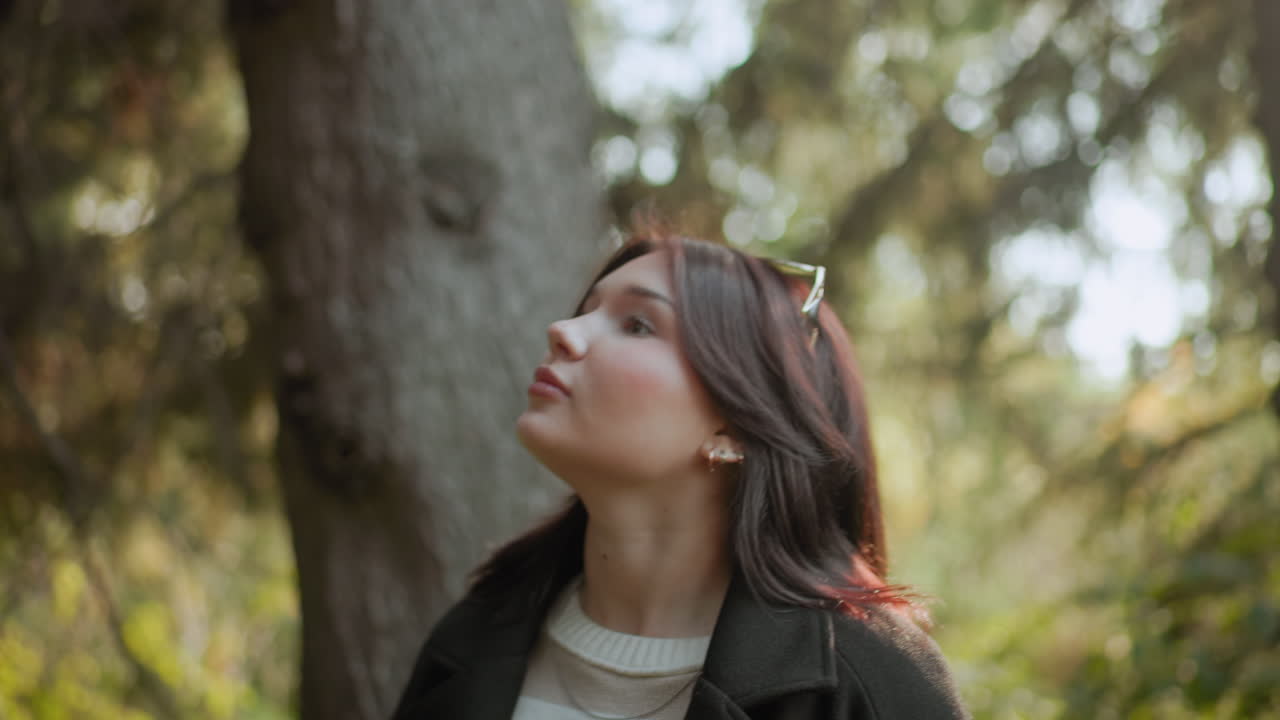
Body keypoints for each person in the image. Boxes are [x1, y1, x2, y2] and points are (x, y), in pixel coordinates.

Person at [390, 229, 970, 720]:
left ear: (734, 429)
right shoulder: (475, 633)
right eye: (587, 309)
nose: (563, 331)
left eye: (637, 325)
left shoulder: (864, 684)